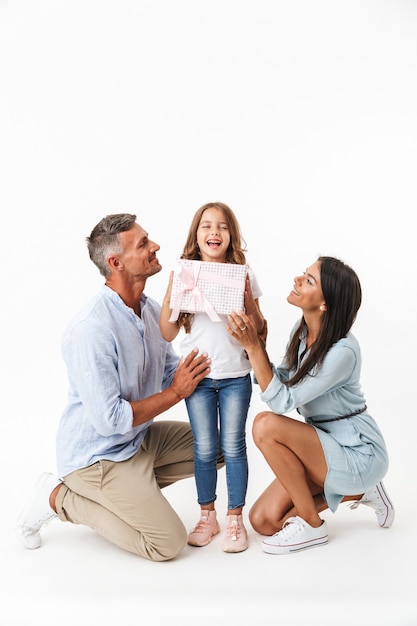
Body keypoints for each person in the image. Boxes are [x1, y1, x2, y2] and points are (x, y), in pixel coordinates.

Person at [16, 213, 223, 562]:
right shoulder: (91, 329)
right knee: (167, 544)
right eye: (143, 244)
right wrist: (175, 393)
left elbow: (171, 370)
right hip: (97, 458)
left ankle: (130, 494)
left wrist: (231, 356)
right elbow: (111, 420)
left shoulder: (149, 310)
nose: (155, 246)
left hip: (137, 441)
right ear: (116, 263)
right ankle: (57, 497)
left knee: (217, 448)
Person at [227, 256, 394, 555]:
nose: (297, 280)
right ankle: (358, 491)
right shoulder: (302, 329)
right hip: (323, 447)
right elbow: (283, 379)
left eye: (308, 280)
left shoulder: (343, 351)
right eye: (303, 275)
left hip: (359, 453)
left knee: (265, 425)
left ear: (325, 303)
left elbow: (281, 401)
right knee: (264, 520)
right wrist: (258, 348)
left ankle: (313, 526)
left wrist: (253, 347)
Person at [160, 202, 266, 553]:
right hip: (199, 378)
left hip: (235, 375)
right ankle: (208, 515)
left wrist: (247, 297)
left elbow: (261, 330)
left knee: (233, 446)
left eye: (222, 226)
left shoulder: (243, 273)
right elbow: (167, 332)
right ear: (196, 236)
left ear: (231, 235)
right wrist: (174, 286)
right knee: (204, 448)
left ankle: (234, 517)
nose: (214, 232)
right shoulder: (186, 274)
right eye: (206, 226)